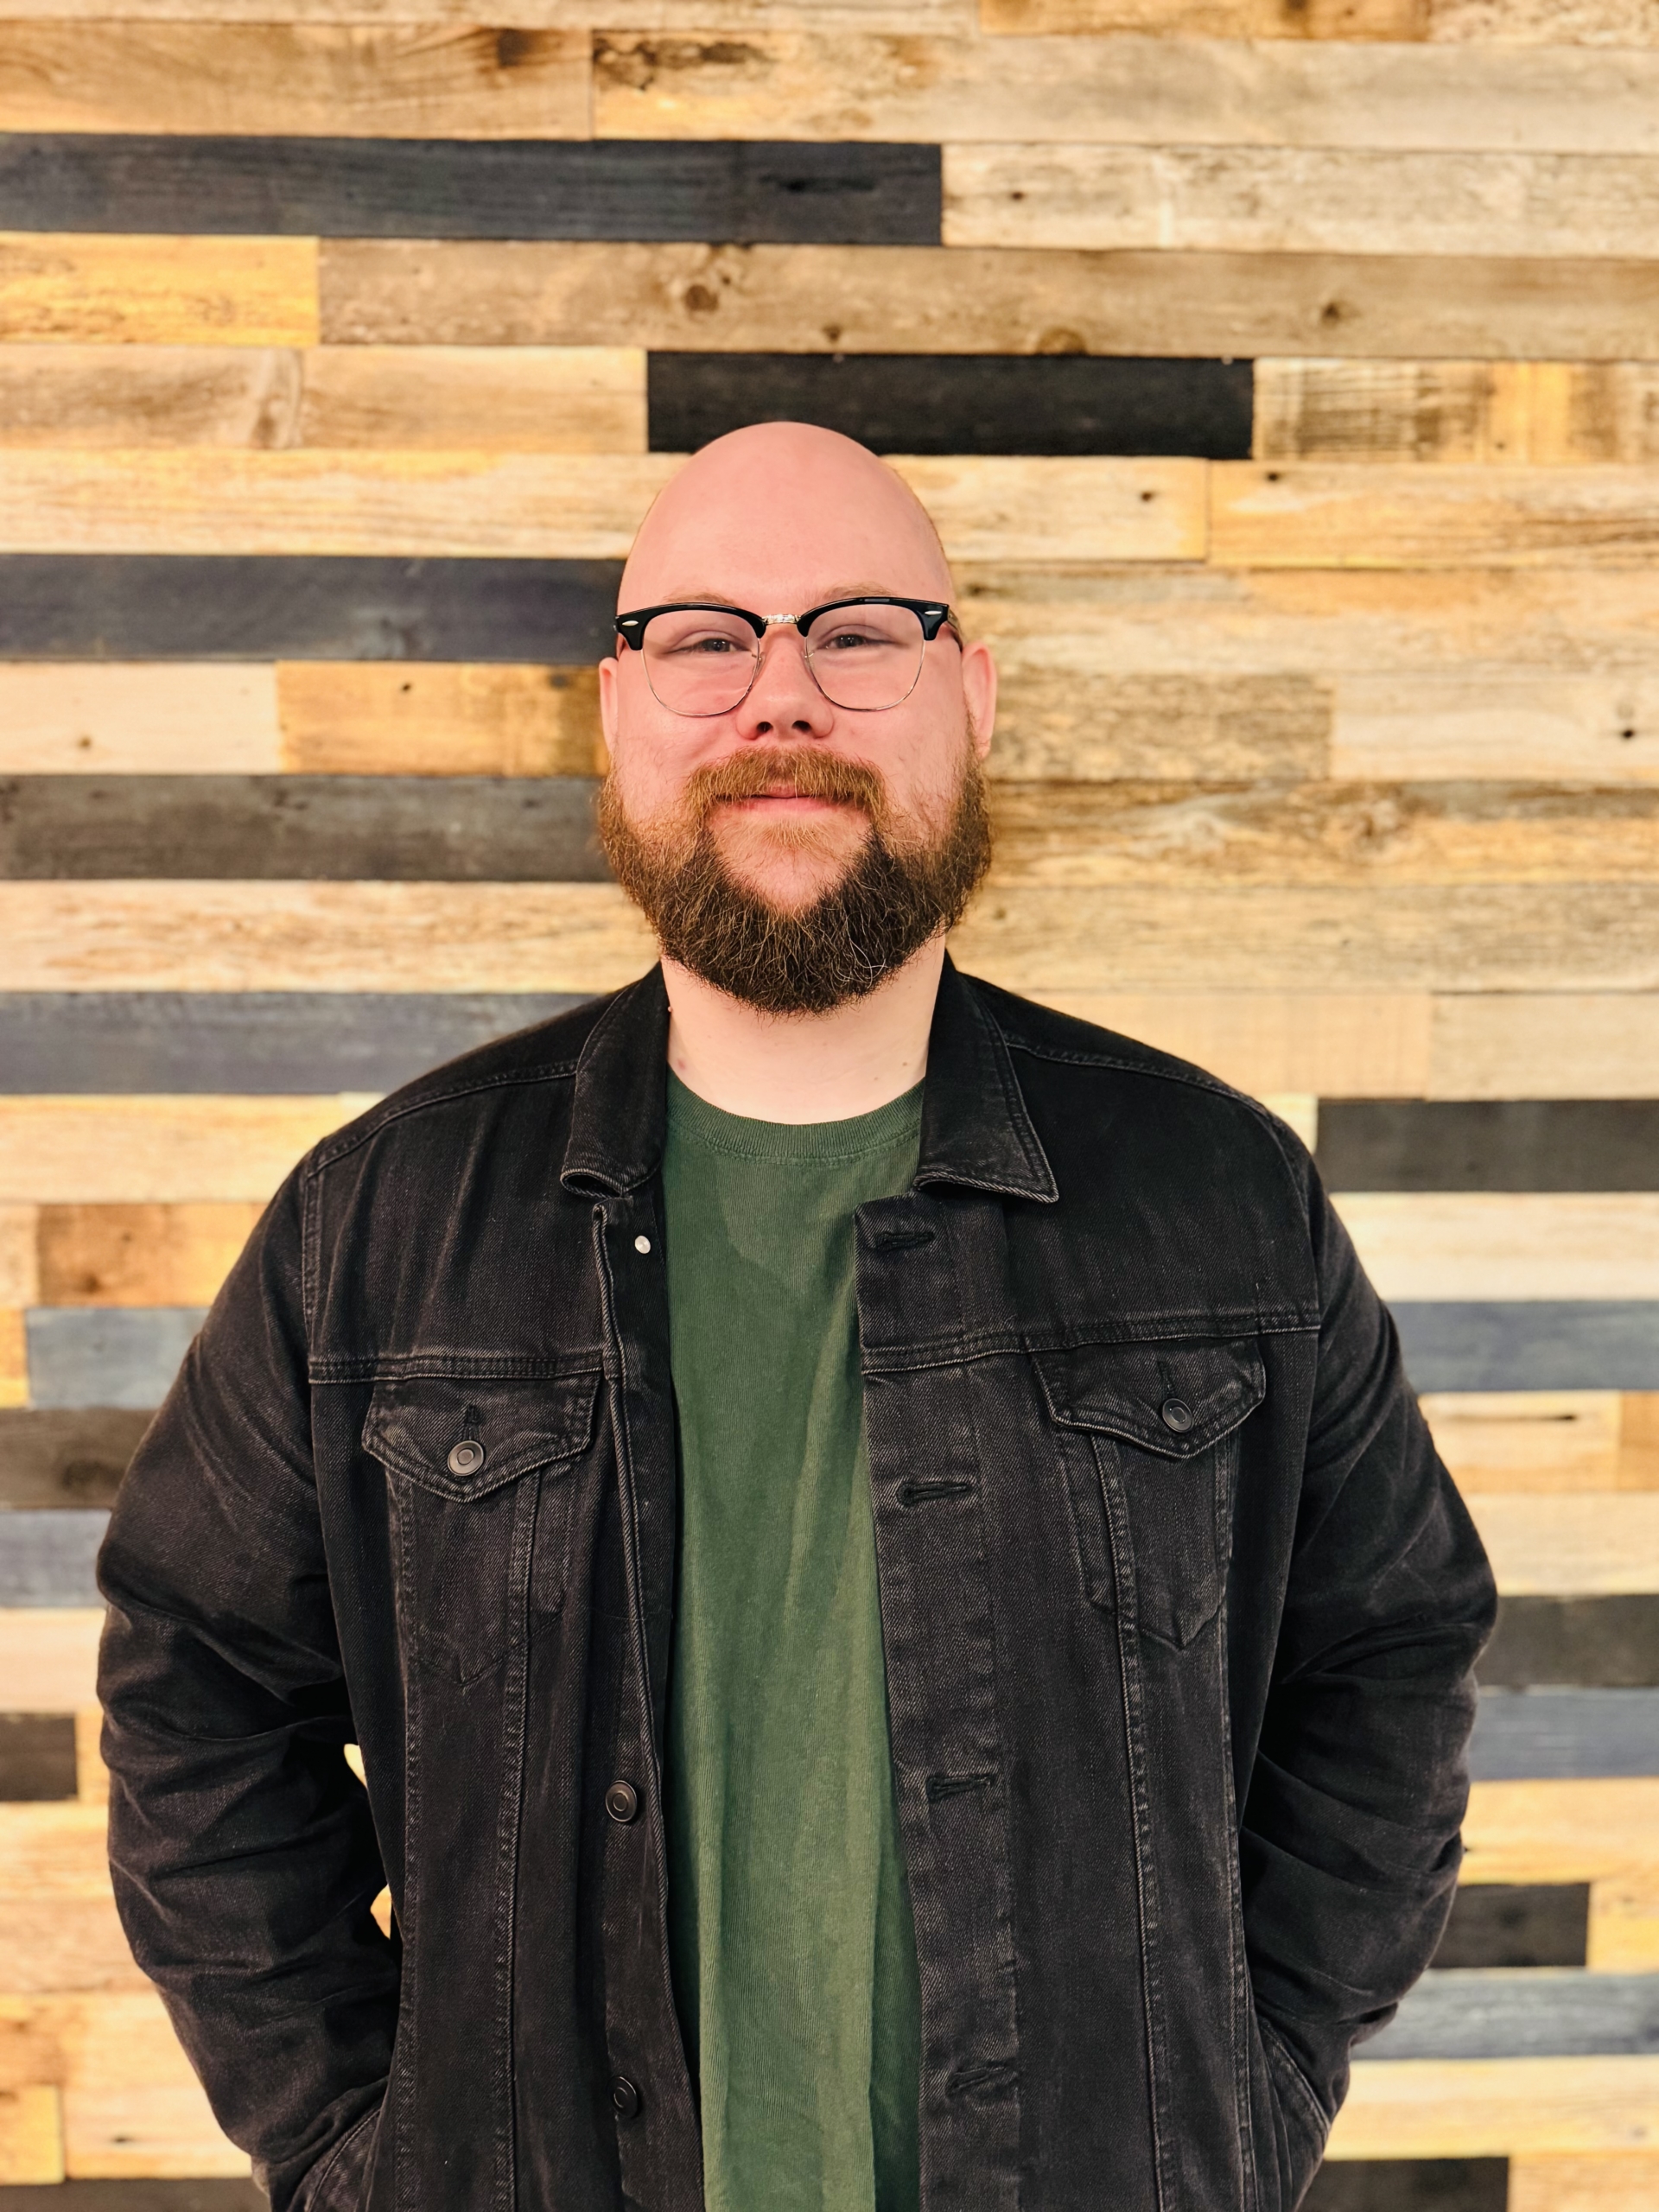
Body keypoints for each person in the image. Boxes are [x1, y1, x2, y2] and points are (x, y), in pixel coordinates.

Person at [98, 423, 1496, 2212]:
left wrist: (1244, 2088)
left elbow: (1389, 1658)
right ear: (616, 711)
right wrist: (355, 2148)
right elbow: (197, 1693)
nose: (782, 696)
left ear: (970, 697)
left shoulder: (1222, 1202)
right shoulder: (376, 1229)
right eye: (705, 637)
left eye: (857, 632)